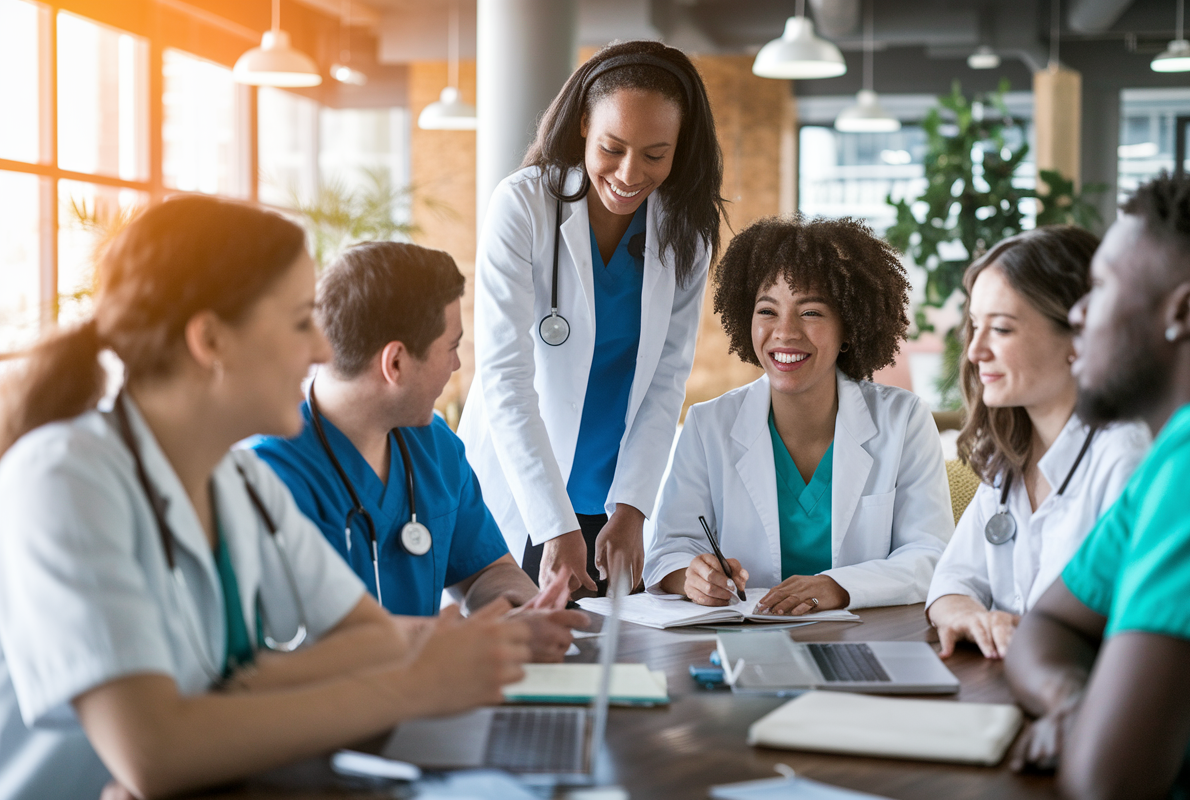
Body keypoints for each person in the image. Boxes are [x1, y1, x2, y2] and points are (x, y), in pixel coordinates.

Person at [0, 196, 530, 800]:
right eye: (301, 321)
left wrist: (223, 699)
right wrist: (416, 684)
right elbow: (154, 752)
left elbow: (372, 638)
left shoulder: (239, 486)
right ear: (210, 340)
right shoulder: (63, 477)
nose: (324, 352)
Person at [1005, 175, 1190, 800]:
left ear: (1184, 312)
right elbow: (1048, 624)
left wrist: (1085, 723)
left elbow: (1106, 783)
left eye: (1100, 288)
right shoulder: (1184, 452)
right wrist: (1070, 699)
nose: (1077, 313)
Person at [458, 39, 727, 595]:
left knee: (612, 663)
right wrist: (554, 525)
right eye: (612, 147)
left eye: (656, 154)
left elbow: (666, 380)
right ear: (582, 123)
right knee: (512, 657)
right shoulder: (523, 206)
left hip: (611, 501)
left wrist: (632, 507)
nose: (630, 173)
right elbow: (504, 376)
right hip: (522, 486)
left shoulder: (684, 233)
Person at [252, 242, 587, 662]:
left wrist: (523, 610)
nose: (456, 366)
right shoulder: (269, 473)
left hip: (432, 704)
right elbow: (313, 636)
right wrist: (473, 643)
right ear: (395, 363)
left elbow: (488, 570)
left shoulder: (435, 446)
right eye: (452, 347)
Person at [643, 215, 953, 614]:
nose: (785, 332)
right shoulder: (708, 425)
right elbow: (669, 550)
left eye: (810, 313)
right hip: (746, 641)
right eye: (767, 311)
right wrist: (693, 576)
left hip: (868, 637)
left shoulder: (904, 420)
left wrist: (836, 587)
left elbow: (930, 554)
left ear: (849, 328)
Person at [925, 227, 1150, 659]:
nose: (974, 351)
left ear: (1077, 336)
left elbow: (1128, 629)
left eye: (1002, 330)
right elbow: (953, 578)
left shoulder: (1125, 458)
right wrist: (968, 616)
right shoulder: (1009, 457)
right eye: (974, 326)